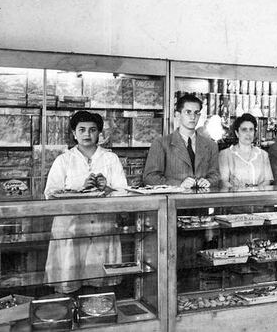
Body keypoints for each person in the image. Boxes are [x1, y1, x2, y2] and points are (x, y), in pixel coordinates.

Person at [44, 110, 128, 293]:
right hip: (71, 227)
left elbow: (124, 193)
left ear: (99, 133)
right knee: (70, 275)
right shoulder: (63, 160)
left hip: (102, 225)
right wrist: (80, 190)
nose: (87, 134)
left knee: (101, 283)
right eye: (81, 130)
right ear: (74, 133)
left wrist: (107, 188)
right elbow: (50, 194)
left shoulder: (110, 158)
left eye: (92, 130)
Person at [143, 94, 220, 189]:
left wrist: (209, 181)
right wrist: (179, 184)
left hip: (202, 197)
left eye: (196, 113)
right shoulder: (161, 143)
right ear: (178, 115)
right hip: (174, 197)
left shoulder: (211, 145)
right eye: (188, 112)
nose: (193, 117)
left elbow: (215, 175)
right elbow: (150, 178)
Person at [218, 113, 273, 188]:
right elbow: (223, 182)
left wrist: (256, 191)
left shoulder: (263, 155)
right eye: (244, 130)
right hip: (234, 195)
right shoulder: (225, 154)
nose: (248, 134)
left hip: (259, 194)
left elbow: (267, 181)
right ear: (237, 133)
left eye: (251, 130)